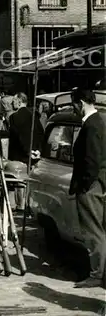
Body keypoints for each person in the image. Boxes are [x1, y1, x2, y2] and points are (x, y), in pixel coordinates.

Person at [70, 88, 106, 288]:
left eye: (73, 104)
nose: (73, 109)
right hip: (97, 183)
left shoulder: (91, 125)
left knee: (93, 231)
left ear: (81, 103)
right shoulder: (99, 121)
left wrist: (84, 185)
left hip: (90, 186)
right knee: (98, 229)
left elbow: (92, 160)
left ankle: (96, 274)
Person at [8, 92, 44, 211]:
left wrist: (27, 150)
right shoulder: (34, 115)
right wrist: (37, 150)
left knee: (17, 180)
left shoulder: (14, 117)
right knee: (30, 180)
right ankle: (28, 204)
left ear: (19, 101)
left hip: (19, 154)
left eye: (14, 100)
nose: (12, 102)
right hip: (34, 153)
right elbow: (40, 133)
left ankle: (19, 205)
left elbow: (18, 136)